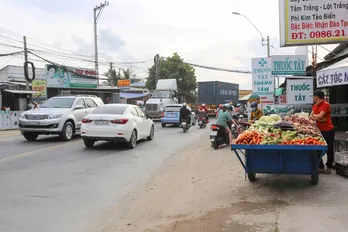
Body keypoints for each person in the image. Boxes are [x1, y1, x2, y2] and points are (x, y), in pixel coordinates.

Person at [309, 90, 335, 174]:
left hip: (328, 130)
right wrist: (319, 119)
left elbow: (320, 116)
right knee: (317, 148)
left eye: (314, 96)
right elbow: (310, 117)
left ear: (317, 96)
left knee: (329, 149)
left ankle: (329, 167)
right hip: (319, 130)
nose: (313, 98)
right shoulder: (314, 106)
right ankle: (321, 167)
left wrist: (317, 117)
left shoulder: (326, 105)